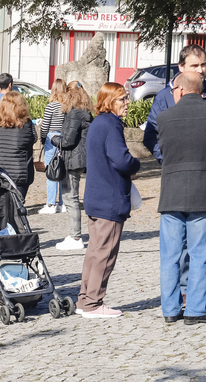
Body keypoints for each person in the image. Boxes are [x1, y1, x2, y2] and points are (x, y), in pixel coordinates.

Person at [143, 44, 206, 308]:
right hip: (178, 176)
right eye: (194, 66)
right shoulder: (165, 97)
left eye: (203, 65)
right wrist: (168, 158)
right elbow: (151, 135)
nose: (200, 70)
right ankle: (188, 289)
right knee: (184, 240)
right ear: (181, 68)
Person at [157, 73, 206, 325]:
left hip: (172, 192)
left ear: (179, 90)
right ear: (201, 91)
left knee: (170, 255)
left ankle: (170, 308)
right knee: (200, 254)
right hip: (205, 191)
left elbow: (163, 152)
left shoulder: (164, 118)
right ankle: (196, 310)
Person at [78, 83, 140, 319]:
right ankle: (94, 303)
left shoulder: (97, 123)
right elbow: (122, 160)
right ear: (109, 102)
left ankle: (85, 299)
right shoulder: (111, 124)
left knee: (94, 252)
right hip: (109, 199)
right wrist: (136, 164)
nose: (127, 103)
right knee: (105, 254)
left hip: (96, 197)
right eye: (122, 99)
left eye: (127, 98)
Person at [52, 81, 94, 251]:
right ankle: (75, 235)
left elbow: (68, 141)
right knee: (73, 198)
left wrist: (53, 138)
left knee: (70, 198)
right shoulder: (86, 113)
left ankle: (75, 236)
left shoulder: (74, 114)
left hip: (72, 160)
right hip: (81, 158)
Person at [0, 92, 36, 199]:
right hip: (20, 174)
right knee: (18, 208)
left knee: (0, 208)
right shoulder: (27, 124)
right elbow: (33, 139)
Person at [38, 79, 67, 215]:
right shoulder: (67, 106)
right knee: (61, 171)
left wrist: (43, 139)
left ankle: (50, 204)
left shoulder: (51, 106)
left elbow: (44, 127)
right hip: (64, 139)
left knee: (51, 171)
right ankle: (62, 203)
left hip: (52, 137)